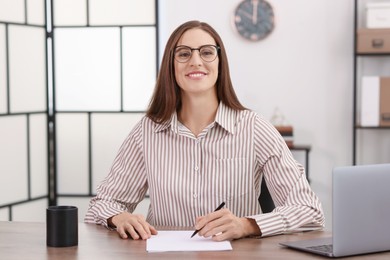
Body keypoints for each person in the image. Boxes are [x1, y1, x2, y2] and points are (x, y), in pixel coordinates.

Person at [85, 20, 325, 241]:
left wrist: (247, 225)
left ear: (220, 63)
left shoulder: (255, 128)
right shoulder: (147, 131)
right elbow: (103, 203)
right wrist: (119, 217)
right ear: (171, 65)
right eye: (184, 53)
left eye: (207, 52)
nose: (196, 61)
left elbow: (309, 210)